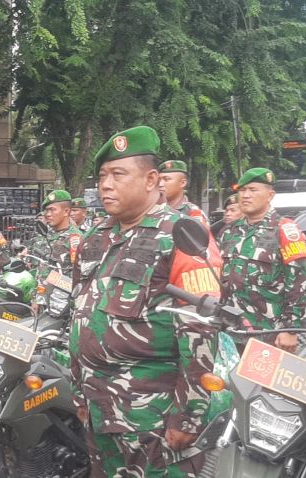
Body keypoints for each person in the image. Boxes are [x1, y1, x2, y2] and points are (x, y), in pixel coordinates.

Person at [69, 126, 216, 477]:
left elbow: (200, 332)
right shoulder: (95, 237)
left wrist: (188, 416)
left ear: (151, 180)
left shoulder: (183, 235)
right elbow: (80, 315)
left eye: (119, 174)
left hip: (153, 416)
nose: (106, 184)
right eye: (102, 175)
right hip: (98, 409)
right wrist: (78, 394)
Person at [218, 168, 306, 353]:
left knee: (261, 383)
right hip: (229, 331)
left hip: (269, 334)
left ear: (270, 195)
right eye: (242, 191)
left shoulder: (285, 230)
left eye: (253, 190)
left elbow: (298, 282)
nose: (246, 195)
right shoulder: (229, 231)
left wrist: (290, 328)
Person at [159, 160, 208, 224]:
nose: (160, 184)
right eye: (158, 180)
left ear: (182, 183)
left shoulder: (193, 213)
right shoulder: (150, 209)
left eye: (167, 179)